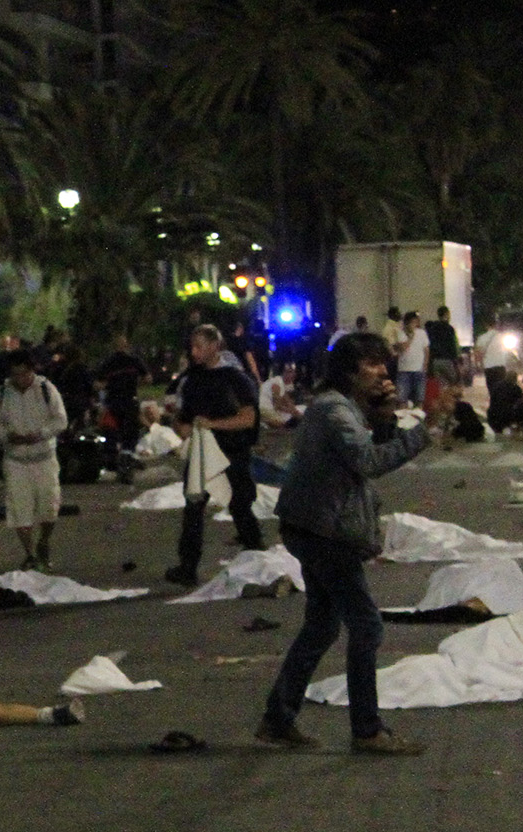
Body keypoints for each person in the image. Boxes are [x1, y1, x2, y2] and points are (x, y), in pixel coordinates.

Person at [256, 331, 433, 755]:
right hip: (323, 530)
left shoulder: (342, 408)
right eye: (371, 364)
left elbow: (370, 445)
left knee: (321, 625)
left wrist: (387, 413)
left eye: (382, 363)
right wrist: (424, 433)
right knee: (366, 625)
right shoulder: (334, 410)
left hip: (312, 525)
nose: (382, 371)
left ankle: (279, 717)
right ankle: (367, 729)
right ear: (349, 371)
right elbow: (368, 461)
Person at [166, 323, 265, 585]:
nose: (195, 352)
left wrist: (212, 426)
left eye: (200, 346)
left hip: (233, 451)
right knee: (194, 507)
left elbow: (247, 418)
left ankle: (259, 557)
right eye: (193, 346)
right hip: (203, 453)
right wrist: (187, 430)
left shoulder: (236, 379)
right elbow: (180, 419)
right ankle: (187, 567)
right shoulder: (191, 380)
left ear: (214, 346)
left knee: (240, 505)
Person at [0, 348, 68, 571]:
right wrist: (8, 437)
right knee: (19, 509)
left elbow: (61, 420)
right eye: (14, 374)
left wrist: (40, 434)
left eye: (23, 373)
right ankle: (30, 553)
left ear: (32, 370)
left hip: (44, 457)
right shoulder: (3, 393)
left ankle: (44, 542)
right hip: (15, 460)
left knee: (49, 506)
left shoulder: (45, 389)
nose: (19, 379)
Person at [97, 337, 147, 452]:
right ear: (126, 346)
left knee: (112, 432)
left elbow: (99, 383)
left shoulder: (108, 362)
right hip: (130, 400)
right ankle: (127, 456)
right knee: (130, 433)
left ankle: (113, 457)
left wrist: (110, 385)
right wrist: (135, 383)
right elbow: (148, 378)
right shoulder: (134, 361)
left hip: (113, 401)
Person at [424, 304, 462, 400]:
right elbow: (453, 345)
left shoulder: (433, 328)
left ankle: (442, 402)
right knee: (453, 382)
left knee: (440, 385)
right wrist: (457, 360)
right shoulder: (449, 328)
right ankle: (453, 402)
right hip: (447, 360)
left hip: (435, 361)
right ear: (446, 314)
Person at [395, 311, 430, 407]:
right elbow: (402, 348)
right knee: (402, 399)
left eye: (416, 321)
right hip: (404, 370)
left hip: (419, 370)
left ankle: (419, 418)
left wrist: (425, 365)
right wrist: (410, 337)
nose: (414, 324)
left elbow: (426, 350)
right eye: (412, 322)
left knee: (419, 399)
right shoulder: (400, 333)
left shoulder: (422, 333)